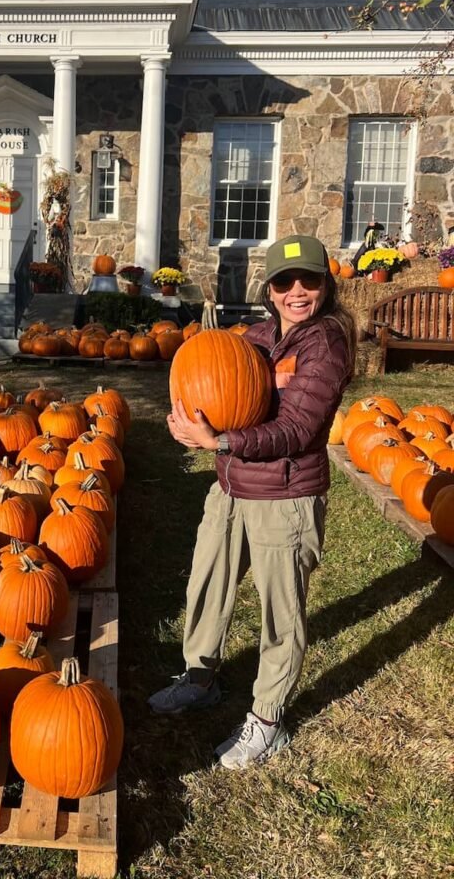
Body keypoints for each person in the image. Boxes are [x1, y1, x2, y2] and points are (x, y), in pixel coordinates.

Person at [148, 234, 356, 770]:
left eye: (308, 280)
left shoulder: (326, 343)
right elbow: (213, 386)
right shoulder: (257, 338)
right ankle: (200, 678)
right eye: (284, 282)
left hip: (286, 495)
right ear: (270, 289)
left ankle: (267, 720)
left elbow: (297, 428)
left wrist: (219, 441)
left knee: (280, 612)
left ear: (325, 284)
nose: (297, 291)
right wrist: (191, 425)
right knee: (207, 585)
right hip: (232, 488)